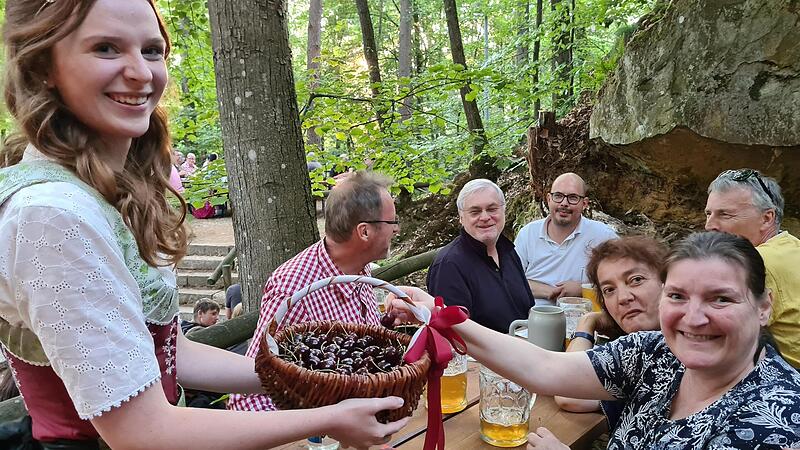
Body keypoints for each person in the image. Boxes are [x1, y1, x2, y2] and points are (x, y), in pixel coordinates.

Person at [0, 1, 408, 448]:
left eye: (152, 51)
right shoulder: (53, 215)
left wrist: (311, 379)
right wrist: (324, 415)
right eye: (106, 48)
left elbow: (174, 353)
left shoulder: (101, 196)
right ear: (44, 66)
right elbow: (143, 433)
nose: (141, 72)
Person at [388, 231, 800, 449]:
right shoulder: (656, 352)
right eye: (678, 296)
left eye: (720, 298)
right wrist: (439, 315)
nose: (693, 317)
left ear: (764, 306)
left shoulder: (773, 424)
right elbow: (545, 368)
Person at [229, 171, 400, 412]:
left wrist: (388, 324)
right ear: (364, 232)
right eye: (392, 222)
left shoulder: (359, 267)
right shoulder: (294, 289)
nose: (397, 229)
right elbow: (248, 399)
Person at [553, 236, 664, 429]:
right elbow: (569, 391)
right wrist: (588, 322)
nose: (623, 298)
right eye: (609, 289)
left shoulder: (683, 351)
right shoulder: (633, 352)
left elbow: (568, 393)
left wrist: (586, 323)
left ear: (667, 283)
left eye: (636, 280)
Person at [705, 168, 800, 368]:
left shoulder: (755, 262)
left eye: (725, 214)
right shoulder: (791, 246)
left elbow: (711, 336)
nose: (709, 225)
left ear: (767, 218)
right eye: (708, 214)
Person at [427, 179, 534, 333]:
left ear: (503, 211)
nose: (485, 217)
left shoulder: (508, 251)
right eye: (475, 211)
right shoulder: (449, 265)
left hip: (529, 348)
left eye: (492, 209)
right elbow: (455, 335)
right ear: (461, 218)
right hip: (483, 356)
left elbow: (528, 309)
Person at [515, 173, 617, 305]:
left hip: (584, 320)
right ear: (549, 199)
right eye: (558, 196)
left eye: (573, 198)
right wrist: (550, 291)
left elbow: (620, 281)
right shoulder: (528, 234)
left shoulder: (602, 236)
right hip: (531, 318)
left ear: (584, 203)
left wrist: (582, 289)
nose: (564, 203)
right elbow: (511, 280)